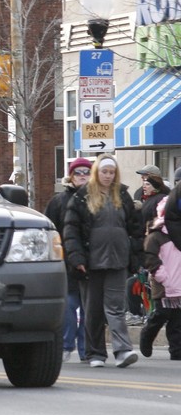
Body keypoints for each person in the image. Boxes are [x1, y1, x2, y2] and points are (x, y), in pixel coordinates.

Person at [63, 154, 144, 368]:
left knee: (116, 307)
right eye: (104, 172)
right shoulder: (82, 197)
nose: (108, 176)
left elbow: (135, 229)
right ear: (97, 173)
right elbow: (71, 231)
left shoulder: (123, 196)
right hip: (91, 262)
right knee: (93, 309)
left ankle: (123, 350)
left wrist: (135, 255)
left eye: (111, 172)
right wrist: (77, 258)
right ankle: (95, 353)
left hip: (118, 260)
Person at [44, 156, 91, 363]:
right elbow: (49, 230)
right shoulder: (58, 201)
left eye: (86, 172)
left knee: (89, 309)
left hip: (91, 260)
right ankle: (66, 345)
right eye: (78, 172)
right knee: (69, 307)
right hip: (66, 261)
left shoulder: (98, 199)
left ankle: (85, 349)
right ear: (71, 176)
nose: (82, 176)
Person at [141, 191, 181, 359]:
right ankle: (147, 335)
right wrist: (162, 276)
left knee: (178, 320)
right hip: (163, 284)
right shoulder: (157, 234)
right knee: (162, 314)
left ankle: (177, 351)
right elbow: (150, 257)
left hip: (179, 283)